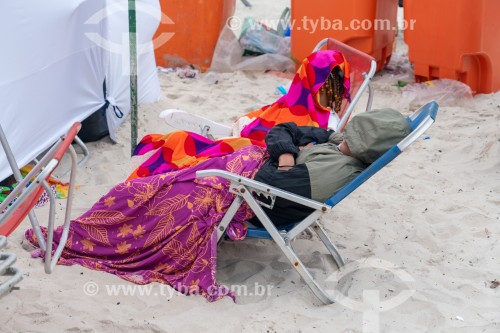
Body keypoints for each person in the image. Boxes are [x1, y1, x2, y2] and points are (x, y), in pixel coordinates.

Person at [24, 51, 410, 302]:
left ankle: (78, 237)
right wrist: (288, 151)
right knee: (150, 186)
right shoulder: (336, 140)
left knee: (146, 197)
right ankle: (81, 230)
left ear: (361, 146)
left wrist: (281, 154)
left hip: (242, 194)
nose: (345, 136)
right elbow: (282, 133)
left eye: (354, 135)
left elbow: (273, 186)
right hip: (246, 173)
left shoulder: (331, 166)